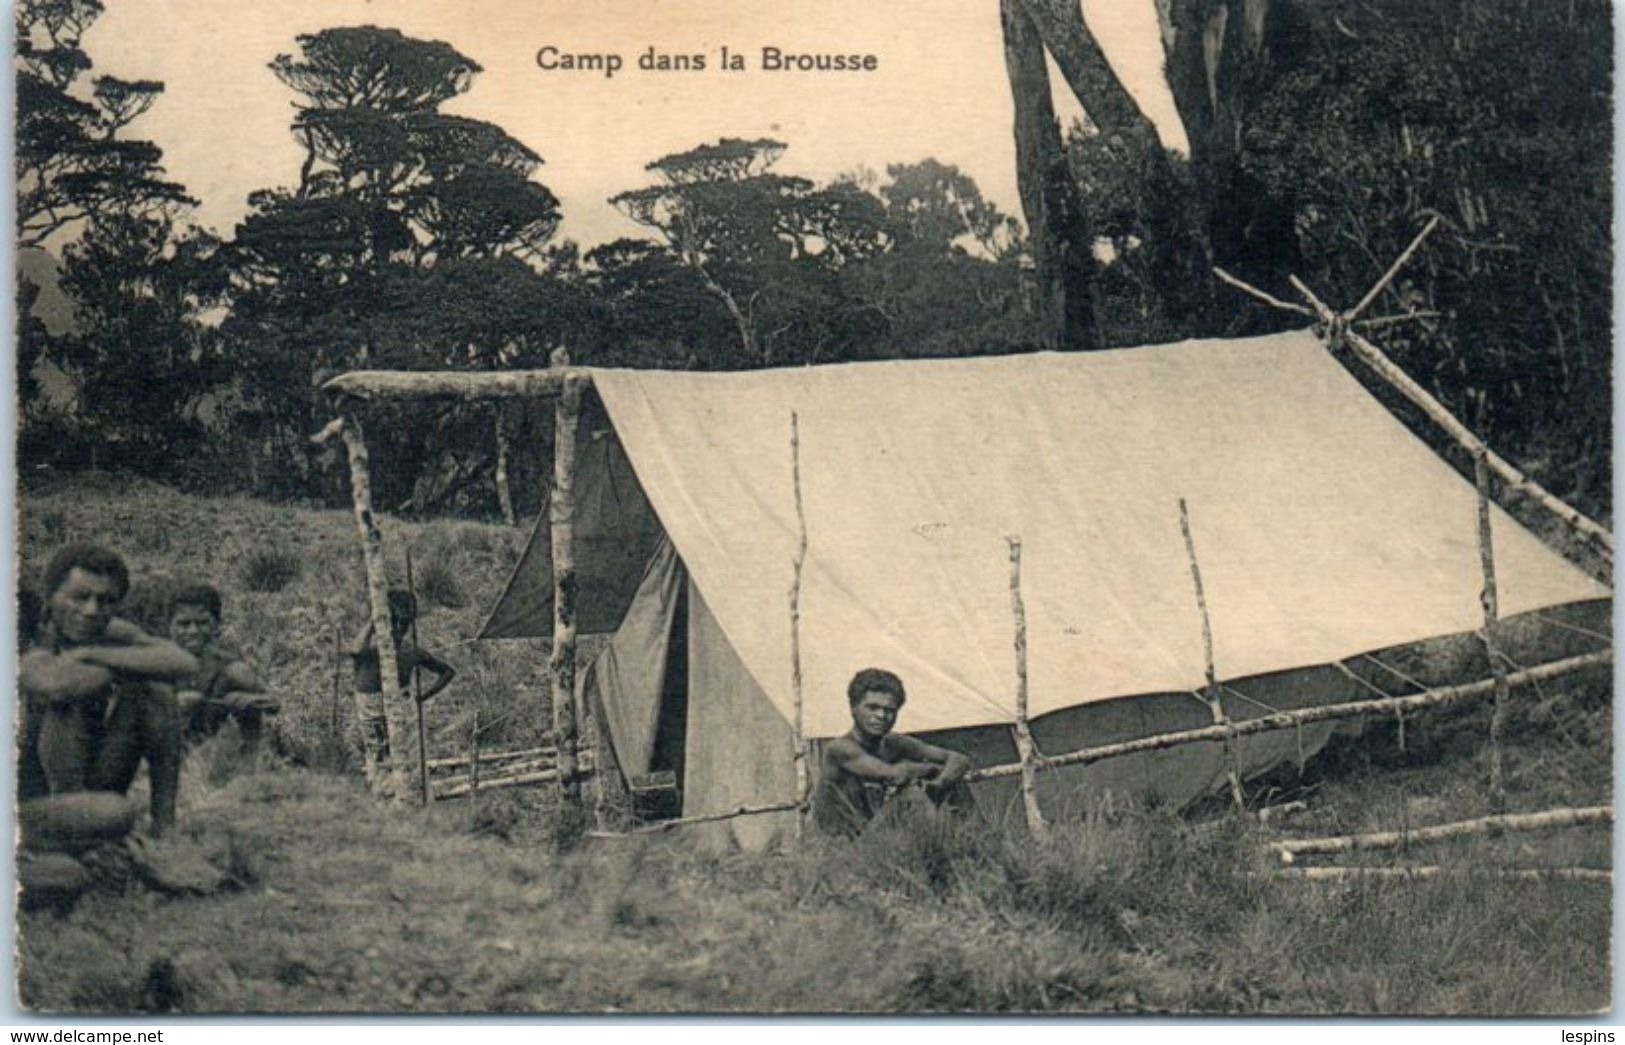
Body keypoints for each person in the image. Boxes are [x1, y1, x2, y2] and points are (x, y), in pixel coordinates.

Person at [20, 544, 198, 837]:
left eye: (105, 601)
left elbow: (183, 661)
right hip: (31, 803)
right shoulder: (29, 636)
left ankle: (164, 828)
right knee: (69, 703)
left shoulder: (107, 633)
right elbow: (57, 685)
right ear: (51, 596)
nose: (92, 610)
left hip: (95, 788)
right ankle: (76, 832)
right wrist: (123, 667)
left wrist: (92, 654)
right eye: (80, 597)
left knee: (156, 692)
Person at [812, 667, 974, 838]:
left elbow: (959, 759)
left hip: (880, 834)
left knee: (953, 780)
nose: (881, 715)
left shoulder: (894, 742)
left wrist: (939, 783)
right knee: (912, 796)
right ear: (853, 708)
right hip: (846, 846)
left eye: (889, 710)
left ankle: (983, 841)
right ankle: (940, 854)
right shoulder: (840, 748)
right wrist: (930, 769)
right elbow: (895, 775)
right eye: (872, 708)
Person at [349, 589, 456, 779]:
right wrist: (374, 621)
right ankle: (382, 796)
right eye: (394, 621)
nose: (398, 628)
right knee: (379, 757)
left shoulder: (410, 652)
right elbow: (355, 650)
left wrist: (422, 697)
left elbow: (447, 672)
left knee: (408, 758)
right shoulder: (371, 651)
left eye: (404, 623)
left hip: (402, 708)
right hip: (372, 712)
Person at [166, 582, 279, 749]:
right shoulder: (154, 662)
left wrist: (249, 700)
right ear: (170, 626)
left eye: (202, 623)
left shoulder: (228, 666)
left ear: (216, 625)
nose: (193, 631)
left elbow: (273, 703)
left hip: (210, 749)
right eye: (184, 624)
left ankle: (249, 762)